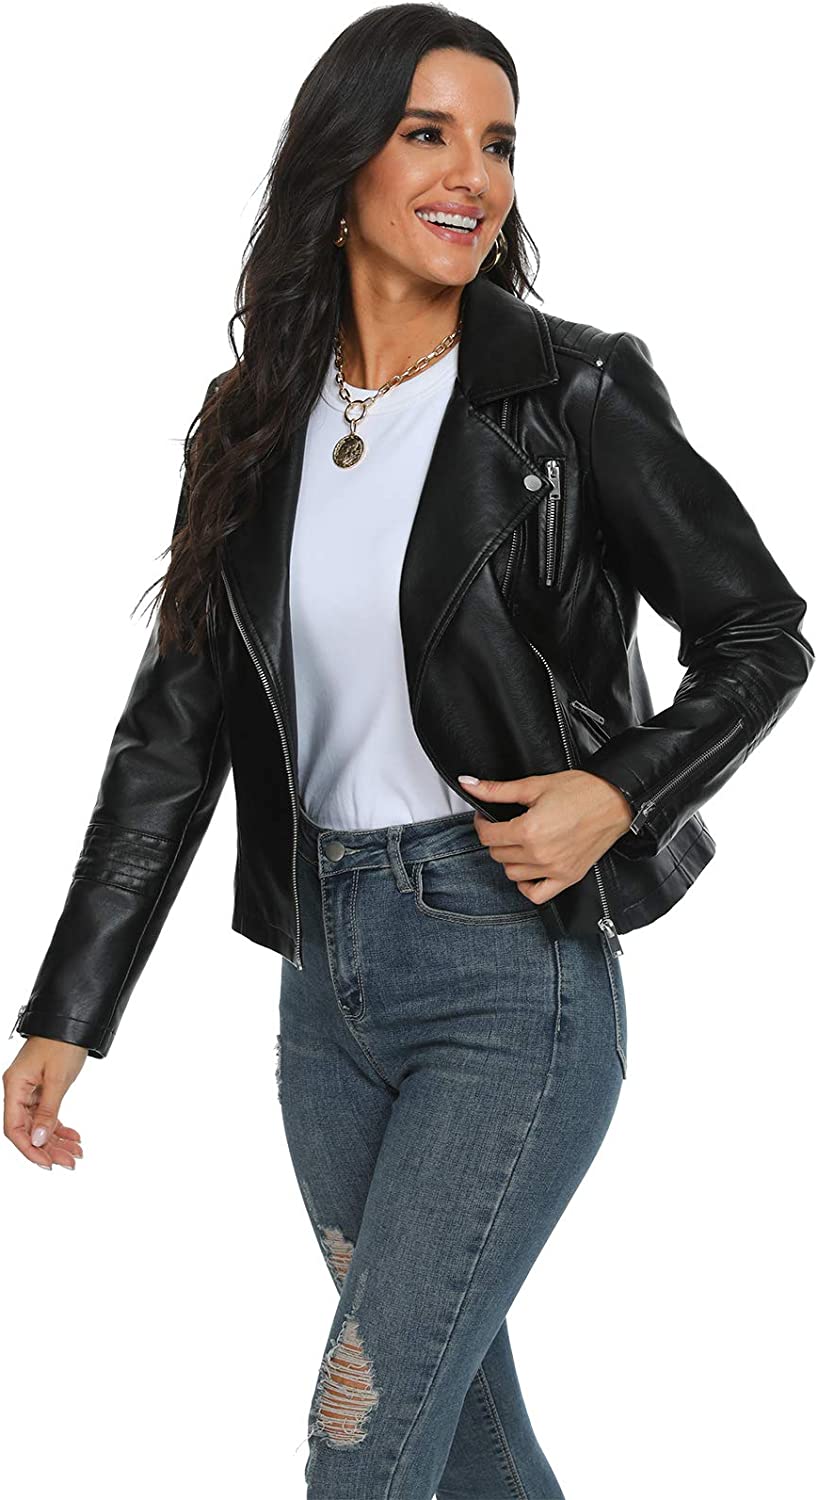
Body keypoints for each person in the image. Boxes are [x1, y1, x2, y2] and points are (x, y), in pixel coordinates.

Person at [4, 6, 813, 1498]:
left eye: (497, 142)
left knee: (360, 1439)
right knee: (473, 1449)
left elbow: (761, 630)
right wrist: (71, 1010)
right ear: (342, 165)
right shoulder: (251, 425)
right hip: (326, 988)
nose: (471, 175)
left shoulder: (570, 391)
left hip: (509, 975)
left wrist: (618, 789)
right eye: (427, 133)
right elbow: (171, 737)